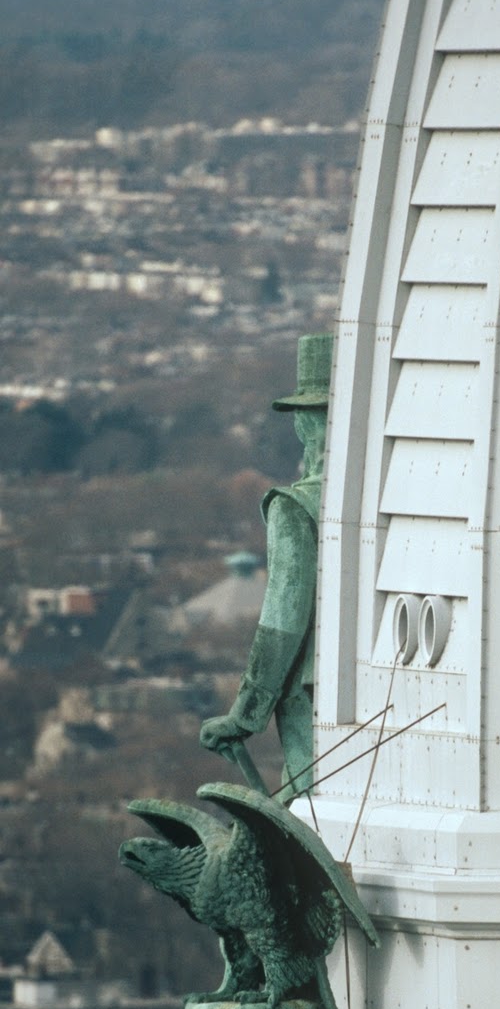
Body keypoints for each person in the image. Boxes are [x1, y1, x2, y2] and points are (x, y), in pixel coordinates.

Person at [200, 333, 333, 804]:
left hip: (314, 696)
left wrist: (244, 715)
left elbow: (282, 624)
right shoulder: (390, 502)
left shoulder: (295, 507)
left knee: (312, 820)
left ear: (306, 423)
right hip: (385, 689)